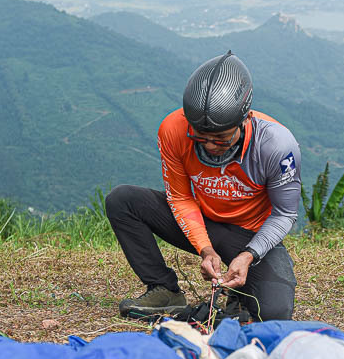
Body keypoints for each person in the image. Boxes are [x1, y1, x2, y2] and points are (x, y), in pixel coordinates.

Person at [106, 51, 301, 321]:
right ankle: (164, 290)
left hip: (249, 234)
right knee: (123, 200)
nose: (209, 145)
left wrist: (248, 255)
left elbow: (285, 214)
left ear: (245, 120)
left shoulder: (276, 145)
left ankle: (239, 293)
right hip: (204, 219)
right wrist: (205, 249)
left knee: (275, 313)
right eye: (200, 136)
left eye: (221, 138)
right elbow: (181, 197)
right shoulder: (173, 129)